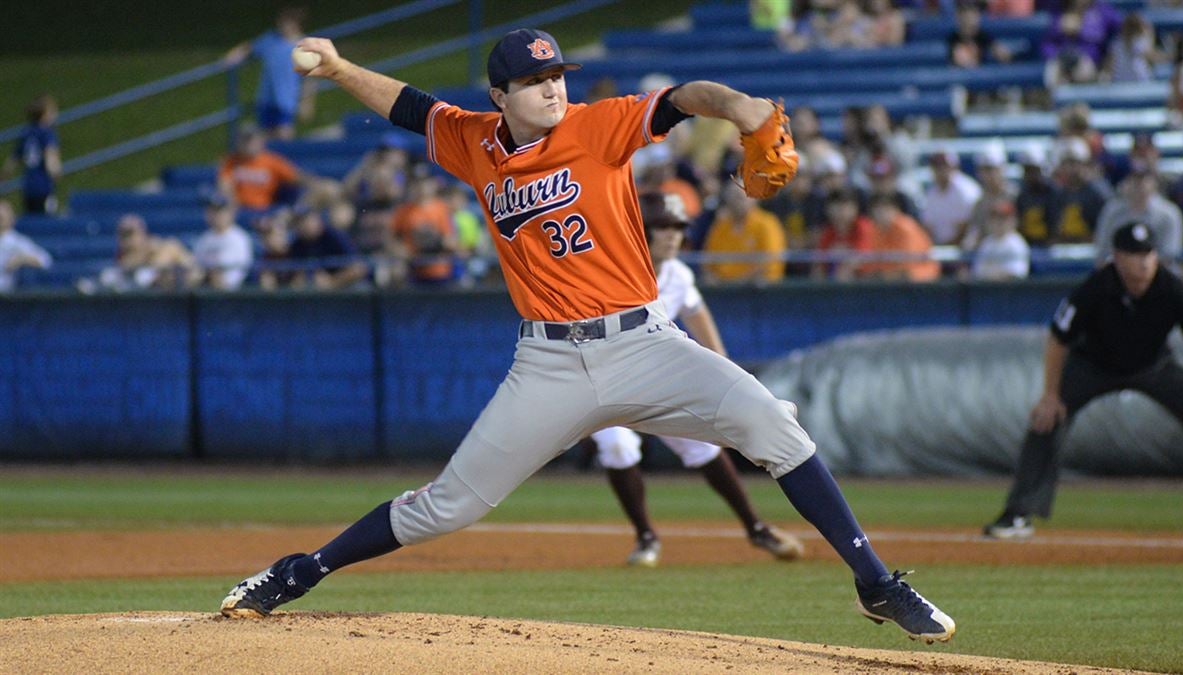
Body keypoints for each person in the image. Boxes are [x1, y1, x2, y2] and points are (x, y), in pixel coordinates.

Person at [219, 27, 956, 643]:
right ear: (500, 97)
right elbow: (412, 108)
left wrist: (742, 108)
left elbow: (681, 100)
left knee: (775, 425)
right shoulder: (475, 141)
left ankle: (877, 583)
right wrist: (343, 67)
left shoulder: (595, 127)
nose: (553, 89)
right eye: (536, 80)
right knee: (450, 506)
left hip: (645, 344)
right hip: (549, 362)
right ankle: (298, 570)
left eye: (558, 75)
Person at [591, 192, 803, 567]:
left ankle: (756, 528)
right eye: (662, 228)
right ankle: (646, 538)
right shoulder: (613, 270)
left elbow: (696, 313)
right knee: (619, 447)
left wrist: (724, 368)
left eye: (677, 228)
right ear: (642, 233)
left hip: (656, 381)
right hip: (606, 381)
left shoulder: (678, 274)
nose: (672, 236)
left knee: (701, 447)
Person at [983, 222, 1183, 539]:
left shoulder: (1172, 286)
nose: (1143, 262)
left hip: (1154, 365)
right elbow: (1058, 338)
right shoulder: (1097, 286)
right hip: (1094, 365)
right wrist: (1050, 394)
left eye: (1148, 253)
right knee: (1046, 420)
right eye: (1134, 254)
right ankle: (1018, 513)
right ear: (1117, 257)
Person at [225, 7, 318, 140]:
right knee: (264, 137)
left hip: (286, 99)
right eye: (281, 22)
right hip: (266, 98)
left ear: (296, 24)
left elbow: (310, 78)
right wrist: (235, 55)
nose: (282, 26)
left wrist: (306, 101)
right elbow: (250, 48)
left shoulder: (304, 46)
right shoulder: (271, 40)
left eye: (286, 23)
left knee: (284, 134)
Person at [1093, 166, 1183, 264]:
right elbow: (1103, 250)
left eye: (1144, 180)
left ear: (1154, 184)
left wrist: (1140, 267)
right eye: (1133, 179)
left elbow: (1169, 254)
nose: (1138, 185)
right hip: (1118, 271)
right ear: (1124, 184)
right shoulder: (1111, 211)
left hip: (1160, 273)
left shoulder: (1168, 213)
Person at [702, 180, 787, 284]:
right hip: (723, 291)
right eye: (731, 198)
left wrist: (740, 282)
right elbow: (708, 260)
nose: (735, 202)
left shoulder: (767, 223)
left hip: (759, 292)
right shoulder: (721, 226)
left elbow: (770, 261)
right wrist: (712, 277)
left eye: (740, 197)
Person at [218, 124, 304, 216]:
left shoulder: (272, 161)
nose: (248, 144)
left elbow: (296, 177)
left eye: (251, 140)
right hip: (239, 211)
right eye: (245, 140)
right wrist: (232, 204)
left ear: (261, 141)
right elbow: (224, 186)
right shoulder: (230, 162)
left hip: (265, 211)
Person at [2, 95, 62, 214]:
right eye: (53, 112)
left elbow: (13, 159)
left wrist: (3, 176)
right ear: (45, 115)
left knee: (31, 216)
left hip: (28, 185)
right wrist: (56, 173)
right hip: (43, 185)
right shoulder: (48, 134)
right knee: (45, 220)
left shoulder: (26, 132)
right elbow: (50, 158)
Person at [861, 192, 939, 282]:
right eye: (877, 209)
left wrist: (883, 274)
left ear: (896, 209)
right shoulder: (875, 229)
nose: (882, 213)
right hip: (890, 279)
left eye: (886, 209)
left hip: (920, 277)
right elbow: (873, 262)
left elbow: (906, 266)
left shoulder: (905, 228)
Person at [285, 208, 367, 290]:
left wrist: (331, 282)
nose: (303, 225)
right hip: (312, 292)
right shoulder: (297, 244)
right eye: (298, 222)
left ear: (317, 220)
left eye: (306, 220)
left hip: (343, 288)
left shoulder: (335, 236)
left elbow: (359, 269)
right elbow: (294, 276)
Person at [193, 193, 254, 290]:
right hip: (204, 286)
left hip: (228, 292)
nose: (215, 215)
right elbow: (196, 267)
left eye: (219, 210)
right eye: (211, 210)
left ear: (230, 213)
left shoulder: (239, 238)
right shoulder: (204, 238)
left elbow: (231, 276)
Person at [921, 150, 982, 246]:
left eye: (944, 166)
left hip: (964, 251)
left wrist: (944, 249)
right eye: (936, 166)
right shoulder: (931, 192)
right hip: (940, 249)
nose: (941, 170)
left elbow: (965, 229)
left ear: (954, 167)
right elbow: (928, 227)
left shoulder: (965, 190)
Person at [970, 199, 1030, 280]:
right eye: (995, 218)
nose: (999, 222)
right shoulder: (987, 242)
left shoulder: (1016, 243)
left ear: (1013, 220)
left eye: (1003, 218)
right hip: (987, 288)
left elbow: (1018, 272)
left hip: (1010, 290)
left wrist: (993, 273)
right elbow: (978, 270)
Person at [0, 201, 52, 292]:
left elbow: (45, 260)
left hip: (6, 295)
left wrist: (22, 259)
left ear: (12, 219)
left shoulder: (17, 241)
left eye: (2, 218)